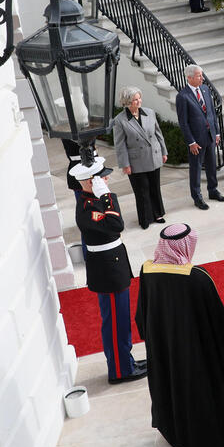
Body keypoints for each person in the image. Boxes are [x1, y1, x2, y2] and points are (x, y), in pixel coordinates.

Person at [136, 224, 224, 447]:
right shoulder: (197, 278)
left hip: (165, 354)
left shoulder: (147, 271)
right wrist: (221, 351)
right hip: (198, 359)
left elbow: (142, 317)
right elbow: (220, 327)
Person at [72, 155, 148, 385]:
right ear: (90, 182)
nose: (106, 180)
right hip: (108, 271)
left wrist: (104, 197)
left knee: (121, 320)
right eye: (102, 178)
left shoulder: (93, 201)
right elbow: (116, 225)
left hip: (113, 265)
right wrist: (106, 196)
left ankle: (126, 361)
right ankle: (120, 370)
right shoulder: (88, 207)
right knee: (115, 323)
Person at [111, 86, 168, 229]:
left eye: (139, 98)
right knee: (142, 191)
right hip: (135, 160)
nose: (139, 101)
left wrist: (163, 152)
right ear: (127, 102)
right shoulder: (120, 120)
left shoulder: (150, 112)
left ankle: (158, 214)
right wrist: (125, 164)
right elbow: (120, 145)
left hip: (153, 155)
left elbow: (158, 134)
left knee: (155, 187)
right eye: (135, 100)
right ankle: (145, 218)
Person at [176, 64, 224, 210]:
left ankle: (213, 190)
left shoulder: (205, 89)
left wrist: (217, 132)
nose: (202, 78)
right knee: (196, 168)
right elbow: (183, 122)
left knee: (211, 165)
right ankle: (197, 197)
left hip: (210, 136)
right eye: (199, 76)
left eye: (201, 75)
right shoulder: (183, 96)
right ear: (189, 78)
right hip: (196, 140)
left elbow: (211, 113)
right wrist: (191, 142)